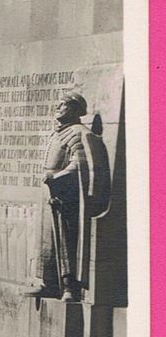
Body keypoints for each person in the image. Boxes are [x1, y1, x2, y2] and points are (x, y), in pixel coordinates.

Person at [27, 91, 109, 302]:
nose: (57, 107)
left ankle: (69, 287)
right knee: (47, 241)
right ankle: (48, 282)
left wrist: (57, 177)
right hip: (50, 194)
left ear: (73, 109)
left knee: (66, 241)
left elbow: (79, 164)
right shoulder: (57, 133)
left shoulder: (79, 133)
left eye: (62, 104)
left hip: (66, 197)